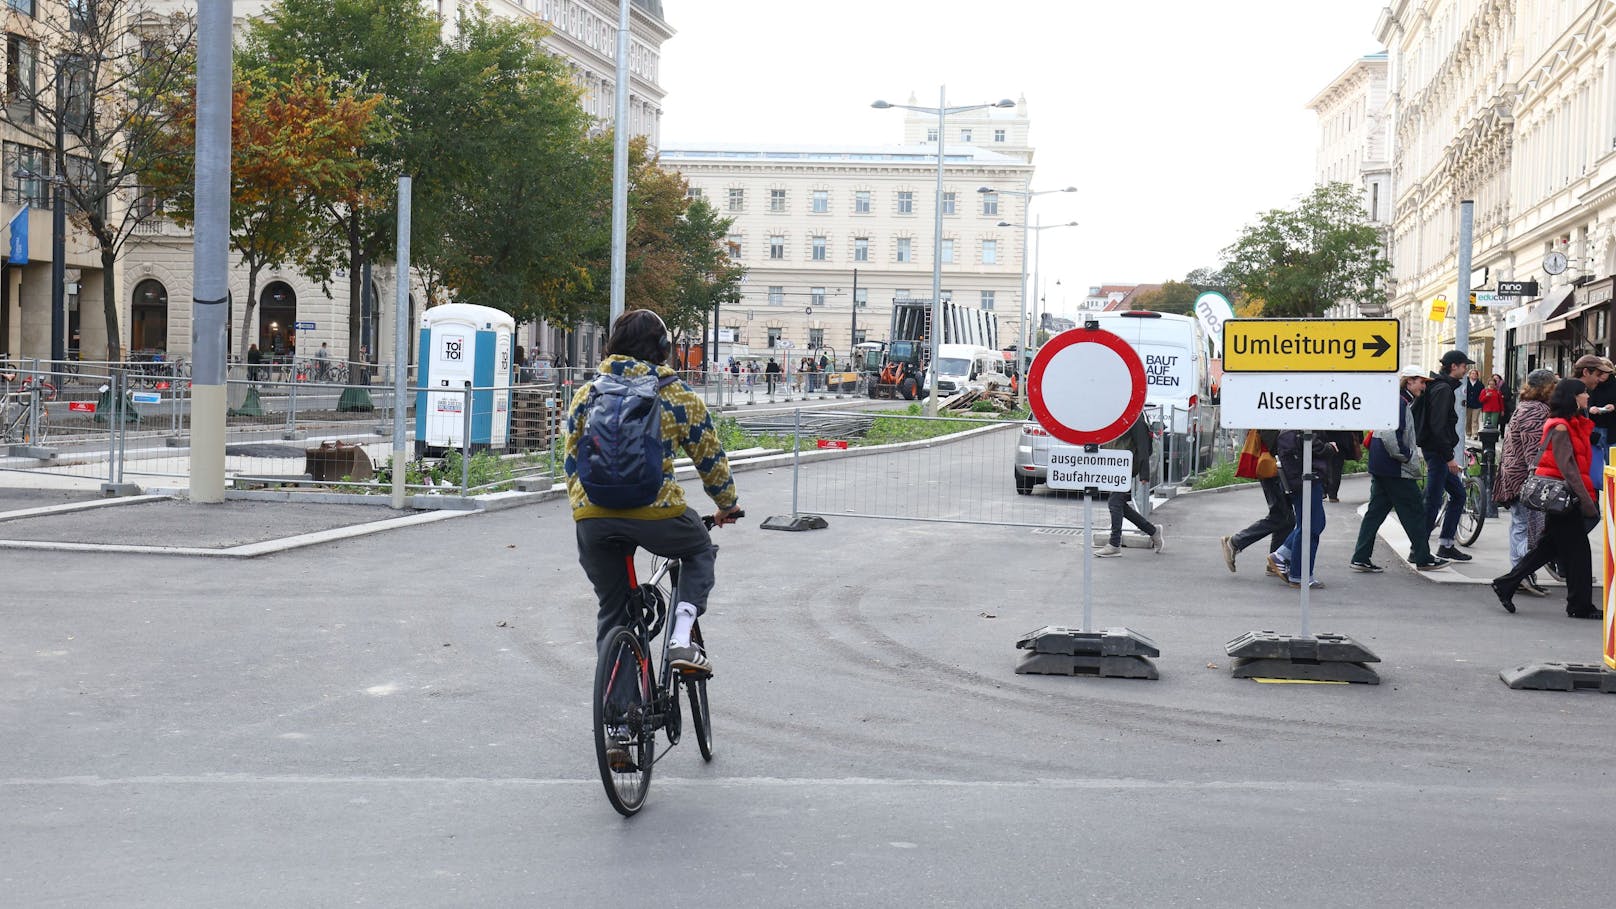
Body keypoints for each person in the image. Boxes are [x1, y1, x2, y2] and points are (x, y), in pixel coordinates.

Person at [567, 309, 742, 672]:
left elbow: (571, 460)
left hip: (593, 517)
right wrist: (726, 505)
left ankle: (618, 718)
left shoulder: (587, 393)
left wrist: (586, 510)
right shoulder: (676, 394)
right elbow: (709, 457)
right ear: (662, 347)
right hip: (657, 513)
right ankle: (681, 640)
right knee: (698, 549)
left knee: (613, 610)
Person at [1490, 378, 1603, 619]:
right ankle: (1579, 606)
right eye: (1583, 393)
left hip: (1563, 496)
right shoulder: (1561, 426)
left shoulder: (1572, 423)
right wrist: (1586, 500)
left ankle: (1506, 584)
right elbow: (1567, 468)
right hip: (1564, 496)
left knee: (1548, 548)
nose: (1587, 397)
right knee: (1579, 553)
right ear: (1573, 397)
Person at [1350, 366, 1449, 572]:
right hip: (1395, 467)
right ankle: (1423, 557)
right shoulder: (1400, 403)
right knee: (1415, 512)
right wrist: (1406, 456)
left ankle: (1360, 557)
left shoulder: (1395, 400)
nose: (1423, 386)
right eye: (1421, 382)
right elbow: (1390, 435)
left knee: (1375, 513)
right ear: (1409, 381)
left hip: (1382, 465)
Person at [1493, 368, 1557, 598]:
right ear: (1546, 388)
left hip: (1515, 475)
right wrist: (1541, 477)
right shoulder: (1536, 410)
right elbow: (1533, 451)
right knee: (1530, 529)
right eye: (1554, 385)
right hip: (1524, 478)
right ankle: (1519, 573)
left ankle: (1520, 575)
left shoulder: (1527, 406)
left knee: (1522, 526)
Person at [1418, 349, 1473, 562]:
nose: (1466, 370)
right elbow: (1439, 426)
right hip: (1438, 453)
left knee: (1458, 494)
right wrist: (1449, 457)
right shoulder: (1443, 390)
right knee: (1432, 500)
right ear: (1453, 367)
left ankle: (1446, 545)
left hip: (1437, 451)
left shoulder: (1441, 387)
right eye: (1463, 366)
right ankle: (1419, 548)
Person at [1219, 429, 1293, 576]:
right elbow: (1272, 439)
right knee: (1281, 516)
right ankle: (1235, 542)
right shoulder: (1270, 415)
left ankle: (1275, 561)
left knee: (1285, 517)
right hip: (1273, 466)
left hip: (1273, 465)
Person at [1095, 412, 1164, 557]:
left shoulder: (1134, 416)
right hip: (1113, 464)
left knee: (1114, 503)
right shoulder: (1113, 414)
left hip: (1125, 466)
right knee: (1118, 504)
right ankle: (1153, 531)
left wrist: (1144, 473)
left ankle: (1114, 544)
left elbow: (1143, 444)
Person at [1276, 428, 1335, 588]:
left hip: (1300, 478)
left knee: (1314, 523)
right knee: (1310, 527)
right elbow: (1314, 446)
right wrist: (1330, 448)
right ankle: (1299, 575)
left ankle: (1282, 555)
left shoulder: (1291, 425)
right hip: (1307, 478)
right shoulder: (1304, 424)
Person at [1575, 354, 1615, 497]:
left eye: (1603, 374)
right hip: (1594, 426)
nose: (1600, 378)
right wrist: (1590, 408)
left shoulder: (1611, 385)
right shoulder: (1583, 389)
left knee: (1610, 461)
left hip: (1610, 428)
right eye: (1598, 374)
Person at [1320, 429, 1360, 503]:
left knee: (1324, 465)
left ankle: (1323, 491)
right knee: (1336, 468)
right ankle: (1332, 495)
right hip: (1340, 441)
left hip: (1325, 439)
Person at [1464, 367, 1484, 435]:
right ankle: (1468, 433)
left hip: (1477, 404)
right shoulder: (1465, 383)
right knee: (1468, 420)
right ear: (1469, 375)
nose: (1474, 375)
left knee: (1475, 420)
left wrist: (1481, 403)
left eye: (1475, 374)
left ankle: (1475, 433)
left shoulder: (1480, 384)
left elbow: (1482, 394)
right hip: (1468, 404)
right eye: (1472, 374)